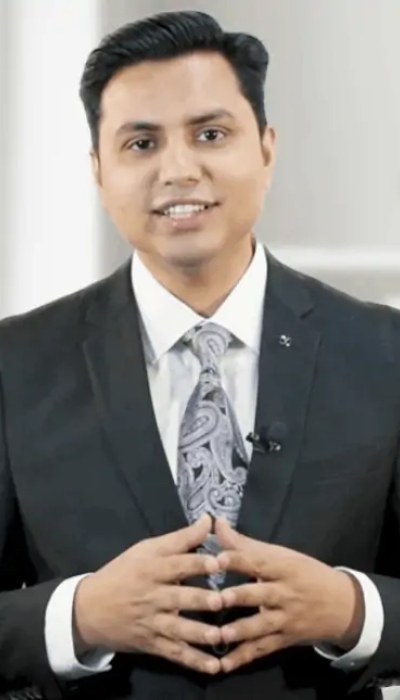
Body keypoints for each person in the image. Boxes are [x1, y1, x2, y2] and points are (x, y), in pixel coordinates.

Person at [0, 9, 399, 700]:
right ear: (98, 171)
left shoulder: (385, 353)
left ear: (267, 148)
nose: (179, 170)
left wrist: (352, 610)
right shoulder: (15, 364)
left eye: (210, 134)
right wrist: (78, 617)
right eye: (141, 143)